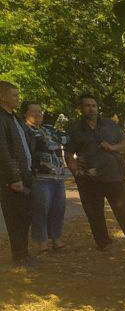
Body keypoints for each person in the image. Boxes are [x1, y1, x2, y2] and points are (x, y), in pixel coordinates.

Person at [66, 94, 125, 250]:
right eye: (87, 105)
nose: (91, 108)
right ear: (81, 109)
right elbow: (68, 154)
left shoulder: (110, 124)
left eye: (94, 105)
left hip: (114, 175)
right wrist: (76, 171)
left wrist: (112, 147)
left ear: (97, 107)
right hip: (89, 179)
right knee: (94, 213)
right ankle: (103, 243)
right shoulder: (74, 128)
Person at [22, 102, 69, 253]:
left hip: (58, 175)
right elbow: (37, 147)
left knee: (59, 208)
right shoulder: (24, 130)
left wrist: (54, 142)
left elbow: (64, 139)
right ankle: (41, 241)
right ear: (25, 114)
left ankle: (56, 238)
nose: (38, 114)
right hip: (40, 176)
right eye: (33, 112)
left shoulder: (48, 129)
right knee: (41, 209)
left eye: (40, 111)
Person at [0, 80, 34, 267]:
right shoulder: (1, 119)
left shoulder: (15, 119)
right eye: (14, 95)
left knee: (25, 216)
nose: (18, 98)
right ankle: (20, 256)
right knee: (15, 218)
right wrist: (13, 178)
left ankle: (24, 253)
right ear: (2, 97)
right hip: (13, 179)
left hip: (26, 174)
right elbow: (2, 151)